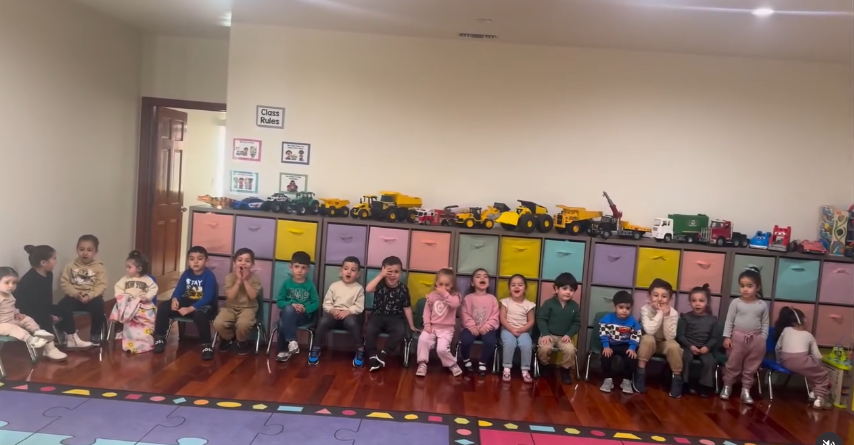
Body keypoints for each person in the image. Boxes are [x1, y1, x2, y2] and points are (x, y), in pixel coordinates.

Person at [15, 245, 90, 349]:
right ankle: (49, 348)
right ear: (43, 263)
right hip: (28, 311)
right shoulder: (30, 280)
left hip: (43, 307)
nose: (56, 261)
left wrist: (49, 311)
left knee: (66, 308)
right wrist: (48, 314)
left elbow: (46, 298)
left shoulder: (49, 274)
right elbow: (32, 304)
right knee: (45, 317)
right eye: (54, 258)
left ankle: (71, 338)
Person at [152, 246, 218, 360]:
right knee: (163, 307)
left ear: (206, 261)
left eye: (200, 258)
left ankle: (206, 344)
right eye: (192, 259)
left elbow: (208, 298)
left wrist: (190, 308)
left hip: (204, 305)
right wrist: (174, 299)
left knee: (200, 315)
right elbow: (179, 289)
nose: (195, 262)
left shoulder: (209, 276)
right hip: (187, 301)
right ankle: (160, 337)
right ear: (188, 261)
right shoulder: (186, 274)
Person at [720, 266, 769, 404]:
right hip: (737, 338)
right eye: (742, 286)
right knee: (732, 364)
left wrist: (762, 339)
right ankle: (727, 386)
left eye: (749, 286)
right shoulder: (736, 303)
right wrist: (727, 337)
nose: (745, 289)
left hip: (756, 340)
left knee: (751, 366)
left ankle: (745, 390)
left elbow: (765, 323)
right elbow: (729, 321)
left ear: (758, 287)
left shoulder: (762, 305)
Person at [0, 267, 66, 361]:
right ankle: (30, 339)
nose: (11, 286)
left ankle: (37, 331)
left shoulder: (9, 294)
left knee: (27, 319)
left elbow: (11, 307)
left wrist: (17, 313)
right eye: (7, 282)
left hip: (11, 319)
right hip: (2, 325)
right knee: (13, 328)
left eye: (14, 283)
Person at [364, 256, 417, 372]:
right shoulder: (380, 284)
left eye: (396, 272)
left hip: (395, 318)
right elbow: (368, 289)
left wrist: (411, 325)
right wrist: (381, 276)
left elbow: (407, 307)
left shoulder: (403, 289)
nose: (393, 275)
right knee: (370, 329)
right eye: (389, 272)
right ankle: (372, 356)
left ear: (401, 273)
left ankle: (384, 354)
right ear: (383, 271)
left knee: (400, 331)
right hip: (377, 316)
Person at [307, 256, 362, 365]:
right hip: (334, 315)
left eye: (353, 270)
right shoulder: (334, 286)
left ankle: (360, 349)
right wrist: (332, 310)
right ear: (341, 271)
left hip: (349, 316)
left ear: (358, 274)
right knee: (323, 321)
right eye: (346, 268)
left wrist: (348, 311)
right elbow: (326, 303)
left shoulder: (358, 288)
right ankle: (316, 348)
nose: (349, 272)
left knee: (353, 322)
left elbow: (359, 306)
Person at [774, 306, 830, 409]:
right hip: (801, 362)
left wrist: (778, 361)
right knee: (822, 375)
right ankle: (819, 399)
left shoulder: (786, 330)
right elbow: (817, 356)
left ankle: (813, 394)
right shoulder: (808, 335)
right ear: (801, 321)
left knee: (813, 373)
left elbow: (777, 348)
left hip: (785, 361)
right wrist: (819, 365)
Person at [635, 278, 683, 397]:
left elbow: (670, 336)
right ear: (649, 296)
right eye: (656, 295)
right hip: (649, 341)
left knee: (674, 346)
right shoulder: (645, 309)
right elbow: (649, 331)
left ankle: (677, 379)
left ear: (670, 299)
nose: (660, 299)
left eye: (664, 296)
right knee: (648, 339)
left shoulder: (673, 313)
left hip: (664, 342)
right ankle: (639, 375)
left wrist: (666, 316)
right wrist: (660, 313)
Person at [58, 235, 107, 346]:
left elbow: (101, 285)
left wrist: (89, 295)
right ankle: (69, 333)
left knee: (99, 306)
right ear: (77, 250)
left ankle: (95, 333)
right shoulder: (70, 266)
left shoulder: (99, 267)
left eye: (89, 250)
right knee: (62, 306)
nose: (85, 253)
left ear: (95, 252)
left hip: (92, 298)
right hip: (74, 297)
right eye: (81, 249)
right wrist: (76, 293)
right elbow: (65, 283)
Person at [214, 248, 261, 355]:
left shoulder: (255, 278)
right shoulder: (229, 277)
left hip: (248, 308)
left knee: (243, 324)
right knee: (218, 323)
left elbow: (253, 296)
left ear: (252, 264)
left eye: (247, 261)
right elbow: (230, 296)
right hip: (230, 307)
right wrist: (239, 280)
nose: (243, 263)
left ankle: (241, 341)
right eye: (240, 260)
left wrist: (245, 280)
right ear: (234, 263)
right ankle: (229, 338)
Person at [536, 272, 581, 385]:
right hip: (548, 335)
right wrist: (545, 334)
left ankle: (565, 371)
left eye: (571, 290)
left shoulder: (575, 306)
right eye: (564, 288)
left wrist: (569, 335)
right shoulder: (549, 303)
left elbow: (576, 324)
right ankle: (544, 366)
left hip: (564, 337)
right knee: (544, 348)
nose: (568, 292)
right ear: (556, 289)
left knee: (570, 350)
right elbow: (541, 319)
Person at [416, 268, 462, 377]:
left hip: (447, 329)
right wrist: (427, 324)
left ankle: (452, 364)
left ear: (452, 285)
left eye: (447, 285)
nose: (443, 287)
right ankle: (422, 363)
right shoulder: (432, 295)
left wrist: (445, 294)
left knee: (442, 349)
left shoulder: (455, 296)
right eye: (440, 284)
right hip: (432, 327)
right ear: (436, 283)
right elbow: (426, 311)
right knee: (423, 339)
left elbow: (455, 304)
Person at [109, 251, 158, 353]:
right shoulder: (125, 279)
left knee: (149, 313)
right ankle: (121, 331)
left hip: (142, 304)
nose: (126, 269)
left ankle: (144, 337)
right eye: (126, 267)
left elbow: (154, 289)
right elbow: (118, 288)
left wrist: (147, 297)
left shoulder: (147, 280)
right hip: (128, 304)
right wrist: (122, 297)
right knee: (118, 307)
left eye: (129, 267)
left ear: (139, 269)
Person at [277, 251, 321, 363]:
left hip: (303, 316)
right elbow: (280, 302)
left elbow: (316, 303)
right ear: (291, 268)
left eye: (303, 268)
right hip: (288, 314)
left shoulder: (310, 285)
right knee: (287, 311)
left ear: (307, 270)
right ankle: (292, 342)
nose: (299, 270)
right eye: (296, 267)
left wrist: (305, 309)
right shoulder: (286, 284)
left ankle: (283, 350)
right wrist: (291, 304)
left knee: (282, 322)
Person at [676, 284, 717, 397]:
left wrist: (707, 347)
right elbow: (680, 336)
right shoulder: (686, 317)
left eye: (701, 301)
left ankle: (704, 386)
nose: (697, 303)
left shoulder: (712, 320)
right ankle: (685, 383)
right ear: (690, 302)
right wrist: (690, 346)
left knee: (710, 362)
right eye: (694, 300)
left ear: (707, 302)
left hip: (704, 347)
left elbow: (714, 337)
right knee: (686, 358)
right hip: (688, 346)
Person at [598, 290, 641, 394]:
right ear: (615, 307)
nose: (624, 311)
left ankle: (626, 381)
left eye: (627, 308)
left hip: (625, 345)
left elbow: (636, 335)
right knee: (605, 357)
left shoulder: (633, 322)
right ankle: (608, 380)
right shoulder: (607, 319)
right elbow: (603, 333)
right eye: (621, 307)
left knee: (631, 358)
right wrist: (606, 346)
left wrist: (632, 348)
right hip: (610, 344)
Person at [460, 268, 499, 376]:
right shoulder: (468, 298)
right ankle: (466, 358)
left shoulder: (492, 299)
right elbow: (464, 314)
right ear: (472, 283)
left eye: (485, 276)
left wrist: (486, 327)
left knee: (490, 341)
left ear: (488, 283)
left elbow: (495, 316)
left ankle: (483, 361)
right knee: (466, 340)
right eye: (478, 276)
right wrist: (472, 327)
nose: (482, 278)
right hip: (470, 328)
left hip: (487, 329)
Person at [499, 274, 536, 383]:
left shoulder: (529, 304)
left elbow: (531, 321)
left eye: (520, 285)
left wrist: (522, 329)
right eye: (513, 285)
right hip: (507, 329)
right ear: (509, 289)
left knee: (526, 344)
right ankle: (506, 369)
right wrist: (511, 329)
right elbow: (502, 318)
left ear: (525, 288)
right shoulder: (505, 302)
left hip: (523, 331)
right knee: (510, 343)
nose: (516, 287)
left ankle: (525, 370)